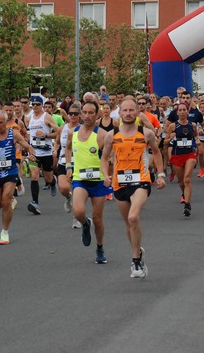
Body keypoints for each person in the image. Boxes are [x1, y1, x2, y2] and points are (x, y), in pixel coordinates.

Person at [101, 98, 165, 278]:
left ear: (137, 112)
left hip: (141, 180)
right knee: (129, 225)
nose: (128, 113)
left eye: (131, 110)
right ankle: (138, 251)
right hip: (119, 183)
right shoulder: (111, 135)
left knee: (133, 217)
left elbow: (157, 152)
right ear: (119, 113)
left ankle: (135, 261)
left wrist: (160, 174)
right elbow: (104, 158)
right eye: (125, 110)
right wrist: (105, 174)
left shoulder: (146, 134)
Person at [65, 101, 112, 264]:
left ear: (97, 114)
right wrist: (69, 166)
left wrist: (108, 175)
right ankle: (85, 224)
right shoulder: (73, 132)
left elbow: (108, 158)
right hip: (80, 179)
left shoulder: (102, 135)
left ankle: (100, 248)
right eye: (84, 112)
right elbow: (68, 148)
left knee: (98, 219)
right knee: (78, 212)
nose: (86, 116)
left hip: (98, 182)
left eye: (91, 112)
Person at [0, 110, 36, 244]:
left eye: (1, 122)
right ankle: (14, 192)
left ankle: (5, 232)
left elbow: (28, 146)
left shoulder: (13, 135)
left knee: (6, 201)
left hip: (11, 171)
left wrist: (31, 155)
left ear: (6, 122)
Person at [25, 96, 59, 214]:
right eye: (33, 104)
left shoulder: (47, 117)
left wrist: (46, 135)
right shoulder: (29, 118)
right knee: (34, 176)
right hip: (34, 152)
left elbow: (58, 131)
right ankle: (35, 203)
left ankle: (53, 181)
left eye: (37, 104)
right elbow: (28, 134)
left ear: (42, 105)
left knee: (48, 178)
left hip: (46, 152)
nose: (35, 107)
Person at [164, 102, 199, 216]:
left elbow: (196, 135)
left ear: (188, 112)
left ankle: (187, 204)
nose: (183, 112)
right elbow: (164, 142)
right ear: (177, 112)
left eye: (185, 109)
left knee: (187, 179)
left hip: (190, 154)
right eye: (180, 110)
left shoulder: (192, 125)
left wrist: (197, 140)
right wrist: (170, 138)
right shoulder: (172, 126)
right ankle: (184, 194)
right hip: (177, 155)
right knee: (181, 181)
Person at [54, 103, 82, 228]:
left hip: (79, 163)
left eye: (75, 114)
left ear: (80, 115)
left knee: (77, 192)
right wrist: (55, 150)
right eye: (71, 113)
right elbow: (57, 142)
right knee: (64, 188)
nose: (73, 116)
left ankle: (76, 219)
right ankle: (67, 198)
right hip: (63, 162)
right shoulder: (63, 128)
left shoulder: (83, 129)